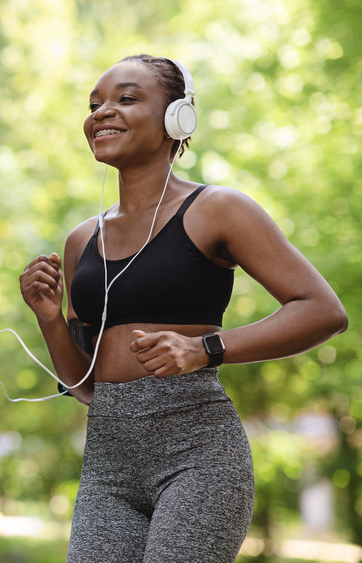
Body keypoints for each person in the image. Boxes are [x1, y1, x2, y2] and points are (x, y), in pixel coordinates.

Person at [19, 54, 348, 562]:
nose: (102, 112)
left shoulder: (218, 209)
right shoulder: (82, 239)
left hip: (199, 456)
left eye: (126, 98)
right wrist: (47, 318)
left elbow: (322, 310)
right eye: (94, 104)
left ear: (179, 117)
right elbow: (85, 386)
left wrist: (205, 349)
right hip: (108, 467)